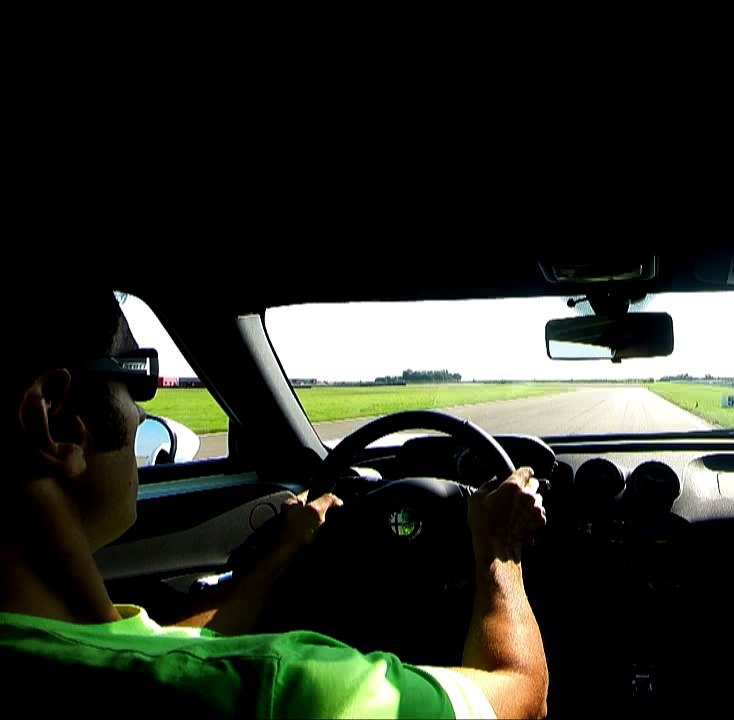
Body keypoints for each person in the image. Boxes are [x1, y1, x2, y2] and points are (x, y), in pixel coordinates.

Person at [0, 287, 548, 718]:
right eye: (134, 382)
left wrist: (287, 548)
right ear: (53, 423)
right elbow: (520, 697)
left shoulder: (66, 648)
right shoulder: (286, 686)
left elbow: (176, 651)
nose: (143, 414)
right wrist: (498, 550)